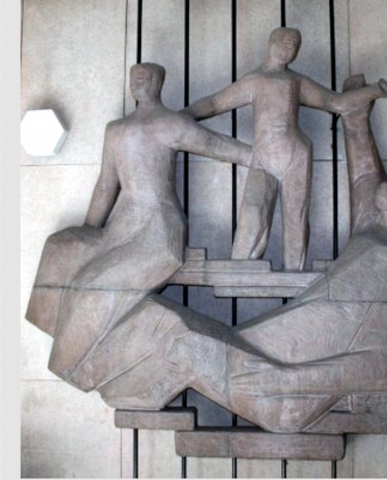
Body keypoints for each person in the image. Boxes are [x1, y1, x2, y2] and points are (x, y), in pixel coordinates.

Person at [68, 74, 387, 435]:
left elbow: (374, 363)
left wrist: (288, 378)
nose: (379, 198)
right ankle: (114, 368)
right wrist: (356, 120)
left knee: (181, 338)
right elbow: (365, 180)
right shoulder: (379, 236)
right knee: (179, 332)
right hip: (283, 351)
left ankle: (116, 372)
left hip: (286, 378)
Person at [25, 63, 252, 388]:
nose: (137, 82)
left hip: (158, 228)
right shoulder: (116, 130)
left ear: (159, 82)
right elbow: (106, 185)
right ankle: (63, 339)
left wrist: (258, 157)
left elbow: (215, 145)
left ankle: (77, 367)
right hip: (123, 226)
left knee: (92, 286)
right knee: (61, 247)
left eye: (144, 77)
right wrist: (90, 229)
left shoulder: (170, 123)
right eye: (134, 78)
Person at [183, 27, 387, 271]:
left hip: (296, 155)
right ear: (272, 42)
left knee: (296, 218)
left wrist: (376, 90)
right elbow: (214, 103)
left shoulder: (295, 81)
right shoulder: (255, 80)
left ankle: (293, 272)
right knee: (253, 214)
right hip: (263, 158)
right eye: (287, 43)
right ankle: (238, 272)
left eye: (295, 46)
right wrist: (183, 116)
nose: (291, 49)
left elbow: (335, 102)